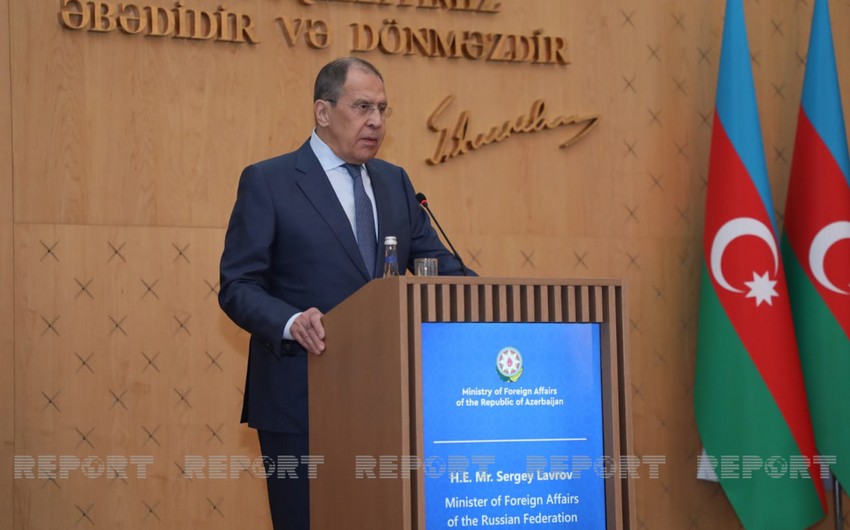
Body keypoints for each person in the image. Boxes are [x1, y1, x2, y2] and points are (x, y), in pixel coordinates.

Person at [218, 56, 470, 530]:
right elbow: (238, 285)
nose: (375, 121)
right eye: (362, 107)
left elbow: (439, 266)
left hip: (386, 400)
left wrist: (492, 298)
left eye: (382, 109)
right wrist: (291, 322)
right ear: (323, 111)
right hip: (300, 398)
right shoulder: (269, 181)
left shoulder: (395, 182)